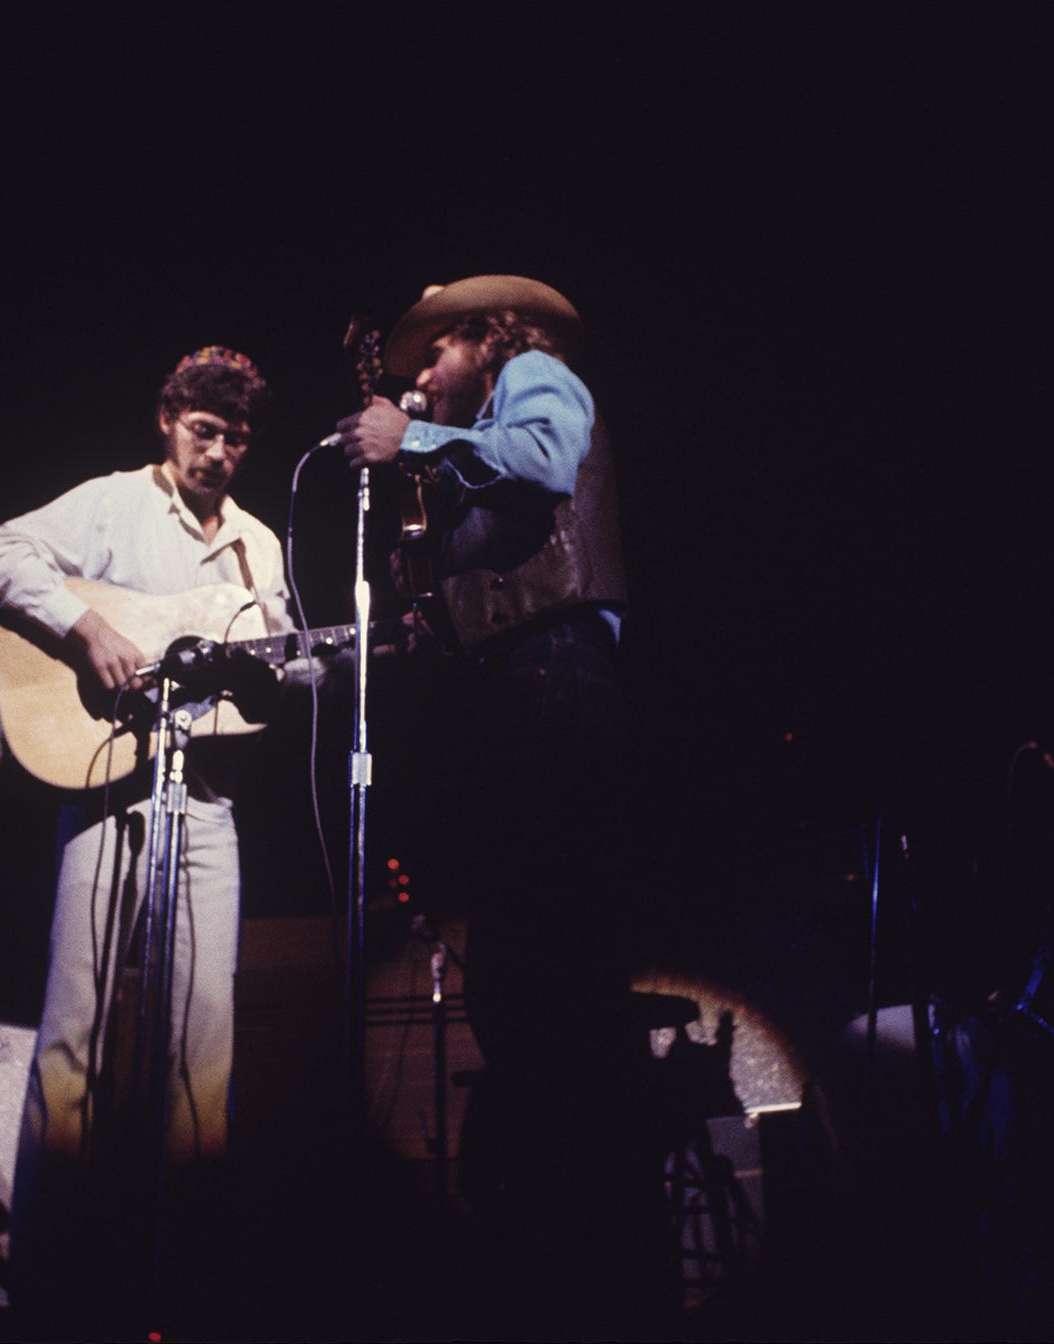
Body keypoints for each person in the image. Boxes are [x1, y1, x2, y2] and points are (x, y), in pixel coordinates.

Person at [331, 277, 666, 1328]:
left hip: (554, 685)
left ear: (480, 341)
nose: (419, 381)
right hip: (516, 696)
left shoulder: (536, 377)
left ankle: (605, 1264)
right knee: (522, 987)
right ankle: (562, 1252)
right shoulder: (473, 438)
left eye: (430, 360)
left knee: (554, 980)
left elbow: (544, 461)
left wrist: (415, 440)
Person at [0, 345, 288, 1325]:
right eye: (203, 432)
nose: (218, 453)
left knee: (206, 1049)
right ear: (167, 421)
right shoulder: (110, 502)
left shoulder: (258, 546)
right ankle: (40, 1285)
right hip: (105, 785)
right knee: (74, 1036)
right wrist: (85, 628)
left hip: (210, 799)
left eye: (234, 439)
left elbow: (271, 662)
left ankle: (187, 1283)